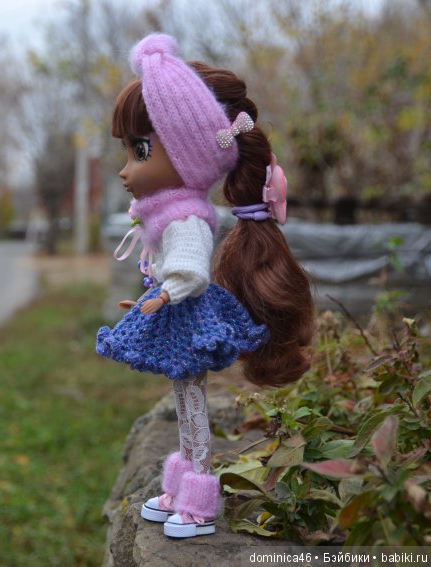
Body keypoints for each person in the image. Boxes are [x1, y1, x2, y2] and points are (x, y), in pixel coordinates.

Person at [96, 33, 314, 539]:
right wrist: (154, 294)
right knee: (183, 398)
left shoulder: (187, 216)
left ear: (190, 156)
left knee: (192, 403)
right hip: (171, 311)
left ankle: (198, 495)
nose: (126, 169)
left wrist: (164, 295)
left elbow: (191, 272)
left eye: (141, 150)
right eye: (129, 150)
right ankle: (180, 485)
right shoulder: (164, 210)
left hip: (189, 316)